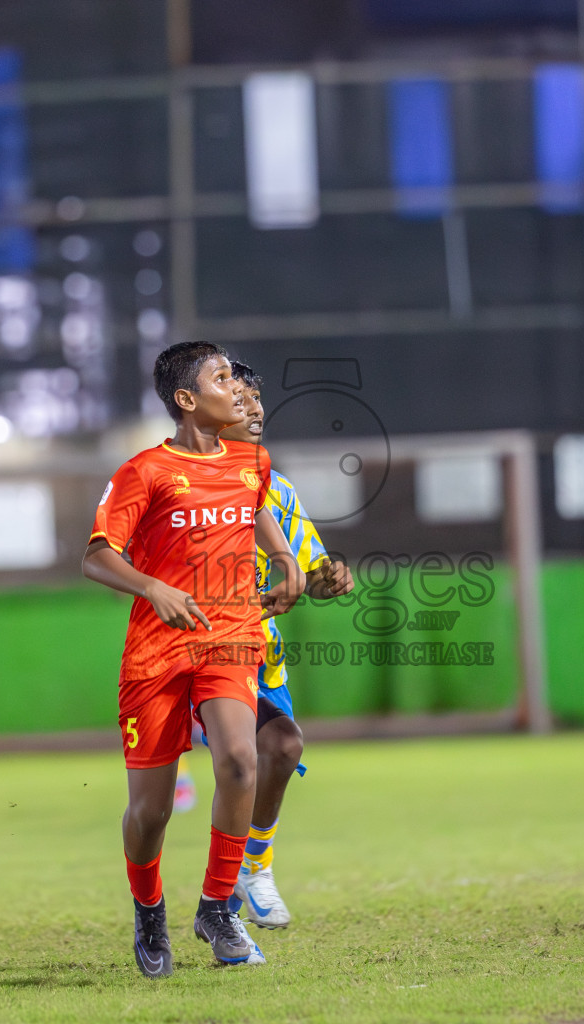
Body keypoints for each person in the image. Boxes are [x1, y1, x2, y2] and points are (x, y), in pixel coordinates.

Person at [83, 341, 304, 977]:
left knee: (242, 757)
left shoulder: (252, 461)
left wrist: (286, 560)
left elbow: (256, 509)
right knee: (150, 812)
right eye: (223, 377)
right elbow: (96, 556)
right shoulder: (144, 471)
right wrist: (154, 587)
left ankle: (216, 908)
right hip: (156, 648)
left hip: (231, 634)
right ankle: (149, 909)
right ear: (187, 400)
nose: (237, 388)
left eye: (236, 376)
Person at [219, 360, 354, 929]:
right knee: (242, 762)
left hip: (259, 660)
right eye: (238, 397)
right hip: (193, 655)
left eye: (257, 398)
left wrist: (329, 579)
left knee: (277, 750)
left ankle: (250, 869)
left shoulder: (278, 489)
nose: (253, 408)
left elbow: (311, 574)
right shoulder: (178, 481)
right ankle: (214, 890)